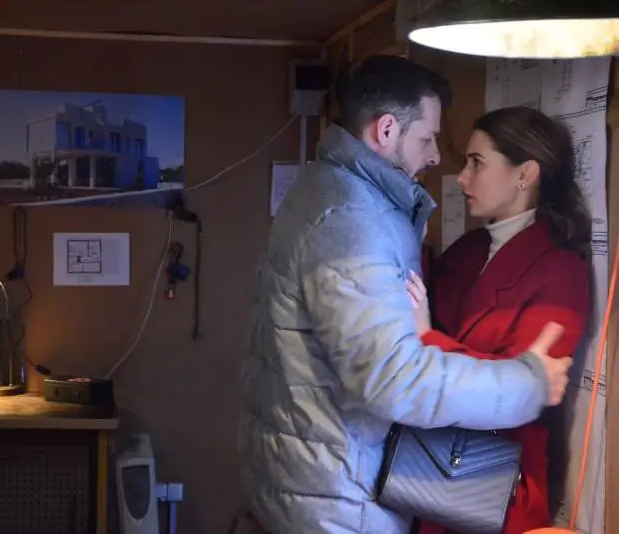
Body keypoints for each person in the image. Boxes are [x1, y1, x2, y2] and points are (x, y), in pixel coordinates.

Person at [238, 55, 574, 534]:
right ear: (386, 130)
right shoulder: (353, 222)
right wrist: (528, 385)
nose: (437, 157)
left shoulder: (326, 189)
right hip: (339, 500)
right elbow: (394, 378)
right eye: (427, 138)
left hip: (321, 479)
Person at [408, 106, 592, 534]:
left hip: (496, 488)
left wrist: (426, 338)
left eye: (477, 163)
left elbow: (522, 390)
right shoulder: (469, 249)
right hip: (428, 467)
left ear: (525, 174)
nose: (462, 177)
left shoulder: (561, 271)